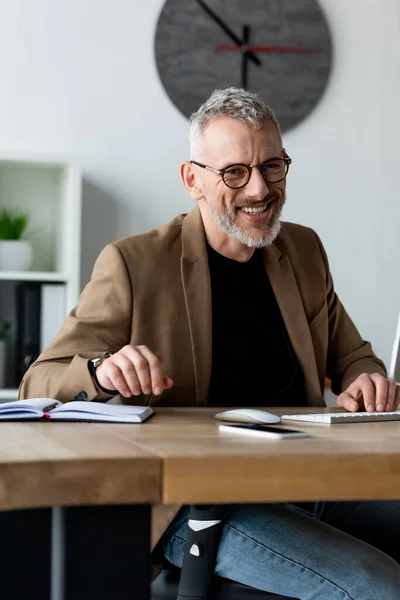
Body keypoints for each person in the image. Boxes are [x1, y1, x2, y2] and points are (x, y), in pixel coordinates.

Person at [20, 87, 400, 599]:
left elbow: (351, 355)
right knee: (376, 586)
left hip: (308, 476)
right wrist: (101, 369)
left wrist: (365, 380)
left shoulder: (303, 250)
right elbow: (37, 382)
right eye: (234, 172)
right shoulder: (133, 263)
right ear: (192, 179)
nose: (259, 189)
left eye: (272, 166)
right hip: (200, 499)